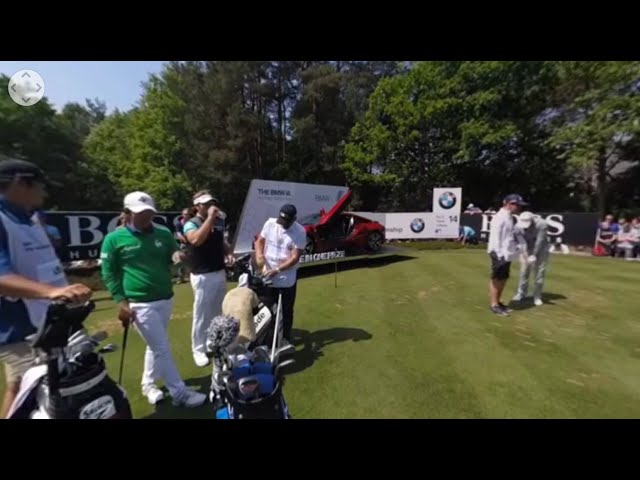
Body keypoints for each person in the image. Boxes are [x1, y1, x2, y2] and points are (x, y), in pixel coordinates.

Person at [0, 159, 92, 418]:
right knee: (35, 396)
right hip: (24, 330)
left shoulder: (33, 219)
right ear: (20, 182)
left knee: (21, 389)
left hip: (51, 323)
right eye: (40, 185)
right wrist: (51, 292)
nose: (45, 192)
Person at [100, 191, 207, 407]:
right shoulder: (113, 239)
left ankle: (148, 385)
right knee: (161, 347)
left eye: (149, 212)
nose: (147, 217)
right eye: (141, 213)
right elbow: (108, 274)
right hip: (138, 303)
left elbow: (173, 253)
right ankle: (180, 394)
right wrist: (122, 303)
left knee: (154, 346)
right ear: (127, 213)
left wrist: (177, 257)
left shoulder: (163, 233)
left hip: (165, 297)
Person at [183, 190, 234, 368]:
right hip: (202, 274)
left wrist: (228, 252)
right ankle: (198, 349)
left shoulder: (219, 221)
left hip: (218, 271)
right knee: (201, 314)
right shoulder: (191, 223)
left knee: (217, 312)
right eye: (205, 203)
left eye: (212, 202)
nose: (210, 206)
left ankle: (212, 341)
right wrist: (210, 219)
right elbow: (195, 240)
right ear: (197, 206)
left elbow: (221, 242)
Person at [254, 204, 307, 344]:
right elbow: (260, 240)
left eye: (286, 222)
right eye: (281, 221)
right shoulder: (270, 223)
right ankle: (266, 338)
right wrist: (259, 255)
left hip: (286, 277)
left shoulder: (300, 231)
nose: (283, 224)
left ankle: (285, 338)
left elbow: (295, 257)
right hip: (267, 274)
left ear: (294, 219)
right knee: (266, 308)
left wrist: (277, 270)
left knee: (286, 309)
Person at [486, 194, 528, 316]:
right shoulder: (500, 217)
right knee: (497, 278)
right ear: (508, 204)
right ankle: (494, 305)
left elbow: (508, 236)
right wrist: (498, 254)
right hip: (499, 253)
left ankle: (498, 302)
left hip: (506, 253)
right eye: (517, 205)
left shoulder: (509, 217)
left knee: (503, 278)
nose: (519, 208)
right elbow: (495, 236)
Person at [512, 211, 550, 306]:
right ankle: (521, 293)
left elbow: (539, 241)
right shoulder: (518, 226)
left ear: (532, 220)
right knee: (524, 271)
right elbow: (520, 242)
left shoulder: (542, 224)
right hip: (527, 248)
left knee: (539, 272)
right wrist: (525, 254)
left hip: (542, 249)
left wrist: (534, 255)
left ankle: (537, 296)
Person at [173, 208, 194, 284]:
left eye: (188, 214)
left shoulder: (193, 222)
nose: (187, 216)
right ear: (182, 215)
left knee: (193, 261)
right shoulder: (179, 224)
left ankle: (192, 277)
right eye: (185, 214)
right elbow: (179, 234)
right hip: (184, 245)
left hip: (193, 244)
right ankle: (180, 278)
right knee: (181, 262)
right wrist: (184, 240)